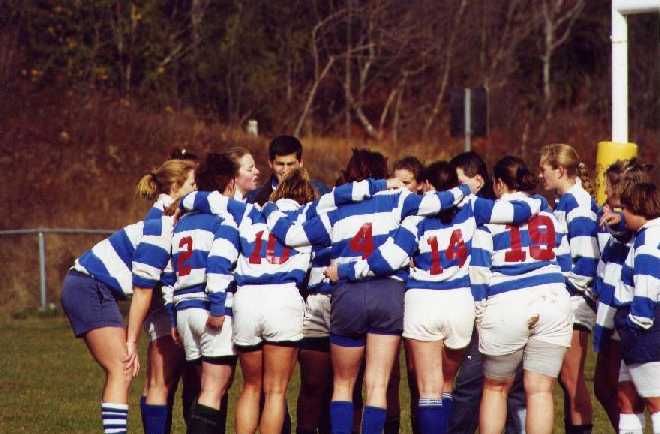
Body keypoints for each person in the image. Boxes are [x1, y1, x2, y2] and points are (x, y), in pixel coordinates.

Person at [261, 149, 486, 434]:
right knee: (378, 384)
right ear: (383, 173)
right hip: (388, 292)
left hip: (347, 296)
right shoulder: (399, 199)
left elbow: (294, 236)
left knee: (343, 384)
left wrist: (269, 209)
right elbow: (440, 200)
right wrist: (467, 187)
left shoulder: (336, 207)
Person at [327, 159, 545, 434]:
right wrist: (539, 202)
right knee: (446, 386)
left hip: (424, 302)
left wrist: (345, 268)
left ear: (428, 185)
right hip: (460, 303)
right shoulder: (472, 206)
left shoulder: (415, 216)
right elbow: (519, 210)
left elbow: (387, 259)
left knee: (428, 388)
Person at [60, 158, 196, 434]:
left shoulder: (171, 221)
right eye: (193, 184)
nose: (199, 189)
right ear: (176, 187)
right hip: (87, 286)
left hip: (98, 288)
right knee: (121, 367)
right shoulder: (160, 228)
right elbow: (143, 290)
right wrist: (131, 341)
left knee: (139, 372)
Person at [470, 156, 573, 434]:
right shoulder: (548, 212)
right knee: (540, 391)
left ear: (499, 183)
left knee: (495, 388)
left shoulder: (489, 217)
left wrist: (480, 314)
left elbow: (479, 272)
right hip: (553, 300)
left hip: (507, 304)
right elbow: (566, 262)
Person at [447, 151, 526, 434]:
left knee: (479, 383)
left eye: (459, 182)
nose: (452, 191)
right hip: (483, 306)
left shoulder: (487, 211)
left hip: (490, 307)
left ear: (479, 181)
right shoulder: (459, 209)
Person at [166, 153, 240, 434]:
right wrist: (219, 308)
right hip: (209, 308)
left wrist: (173, 318)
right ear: (231, 184)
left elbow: (169, 274)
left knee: (205, 392)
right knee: (213, 391)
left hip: (184, 310)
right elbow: (219, 265)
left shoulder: (182, 222)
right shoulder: (224, 218)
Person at [539, 144, 599, 434]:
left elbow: (585, 265)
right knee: (565, 377)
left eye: (544, 169)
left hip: (575, 302)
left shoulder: (578, 206)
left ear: (560, 170)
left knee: (571, 377)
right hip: (564, 298)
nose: (541, 175)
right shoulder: (562, 202)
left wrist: (556, 280)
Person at [592, 159, 650, 431]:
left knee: (622, 391)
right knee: (606, 387)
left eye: (609, 186)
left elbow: (624, 229)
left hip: (627, 318)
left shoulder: (637, 227)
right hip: (611, 316)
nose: (605, 192)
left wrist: (616, 221)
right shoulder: (619, 222)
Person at [614, 181, 660, 434]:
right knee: (626, 397)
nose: (622, 216)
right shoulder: (645, 235)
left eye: (624, 210)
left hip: (644, 329)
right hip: (639, 328)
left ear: (636, 208)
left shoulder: (649, 240)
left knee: (655, 400)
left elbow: (648, 281)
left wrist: (636, 323)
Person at [246, 135, 330, 205]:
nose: (285, 170)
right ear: (270, 163)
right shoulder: (254, 198)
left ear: (300, 163)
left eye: (290, 164)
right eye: (280, 164)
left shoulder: (321, 192)